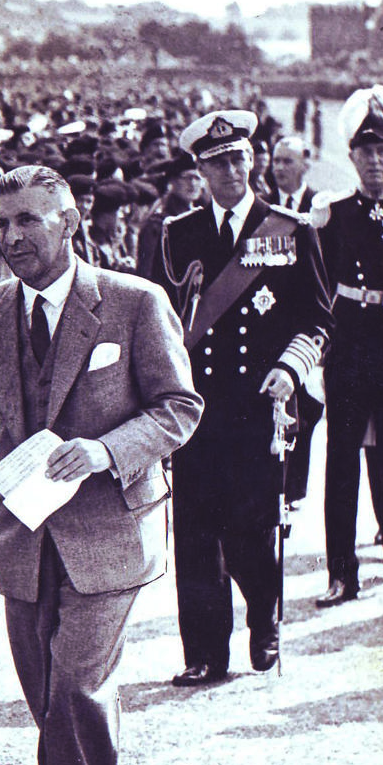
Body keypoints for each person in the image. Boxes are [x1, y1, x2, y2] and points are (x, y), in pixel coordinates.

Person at [0, 166, 201, 765]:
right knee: (46, 699)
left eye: (29, 220)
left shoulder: (134, 304)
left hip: (110, 533)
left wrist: (104, 452)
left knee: (76, 691)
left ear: (70, 223)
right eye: (3, 223)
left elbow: (180, 408)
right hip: (24, 539)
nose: (13, 237)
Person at [152, 111, 330, 682]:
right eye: (218, 162)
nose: (231, 170)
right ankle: (204, 652)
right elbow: (154, 321)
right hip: (196, 408)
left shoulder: (289, 229)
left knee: (253, 528)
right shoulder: (176, 235)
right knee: (198, 529)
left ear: (252, 161)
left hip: (260, 405)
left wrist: (291, 366)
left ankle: (265, 622)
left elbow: (320, 318)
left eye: (239, 159)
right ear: (200, 169)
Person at [312, 87, 383, 604]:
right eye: (364, 151)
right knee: (341, 457)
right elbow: (317, 287)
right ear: (350, 156)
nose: (375, 161)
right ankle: (341, 572)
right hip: (349, 347)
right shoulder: (332, 215)